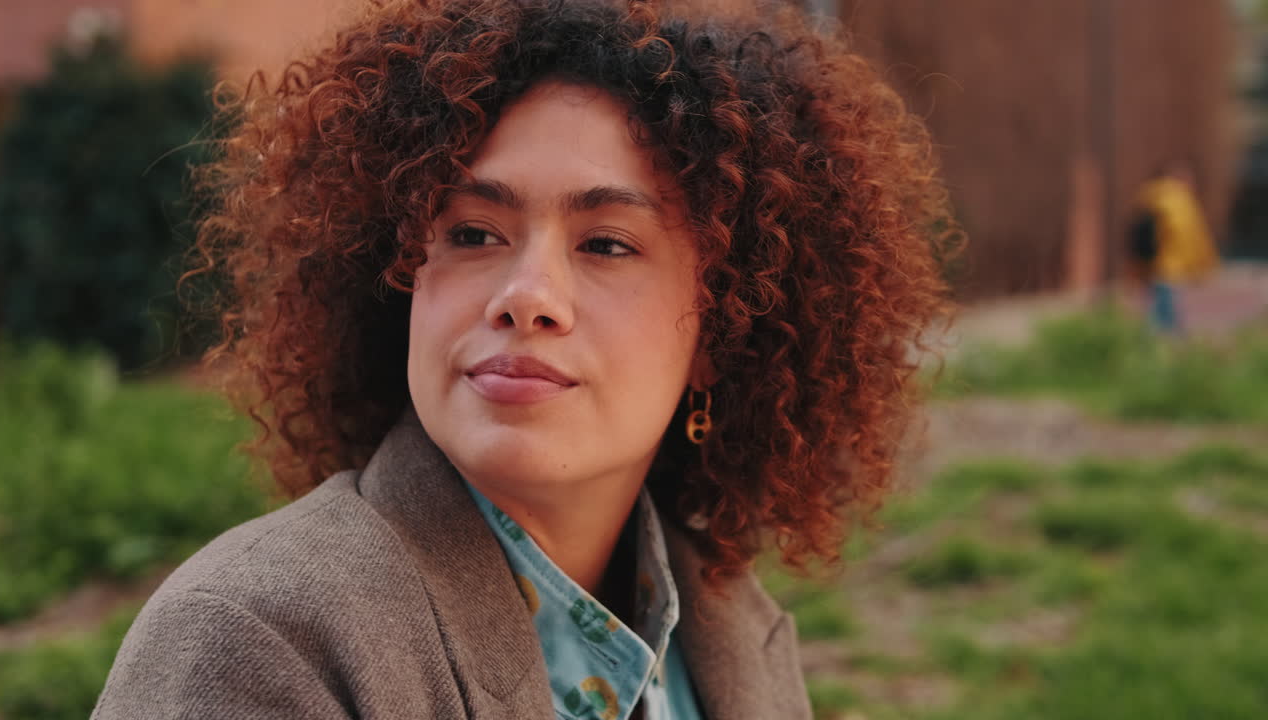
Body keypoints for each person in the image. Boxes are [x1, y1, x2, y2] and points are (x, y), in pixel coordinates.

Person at [93, 0, 954, 717]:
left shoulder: (730, 635)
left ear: (720, 336)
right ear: (400, 281)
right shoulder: (256, 639)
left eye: (607, 244)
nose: (527, 293)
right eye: (472, 233)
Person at [1127, 165, 1220, 333]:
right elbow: (1190, 237)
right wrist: (1204, 264)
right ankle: (1159, 339)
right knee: (1165, 309)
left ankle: (1156, 337)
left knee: (1160, 304)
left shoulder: (1150, 198)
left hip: (1153, 262)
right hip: (1171, 264)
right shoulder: (1178, 201)